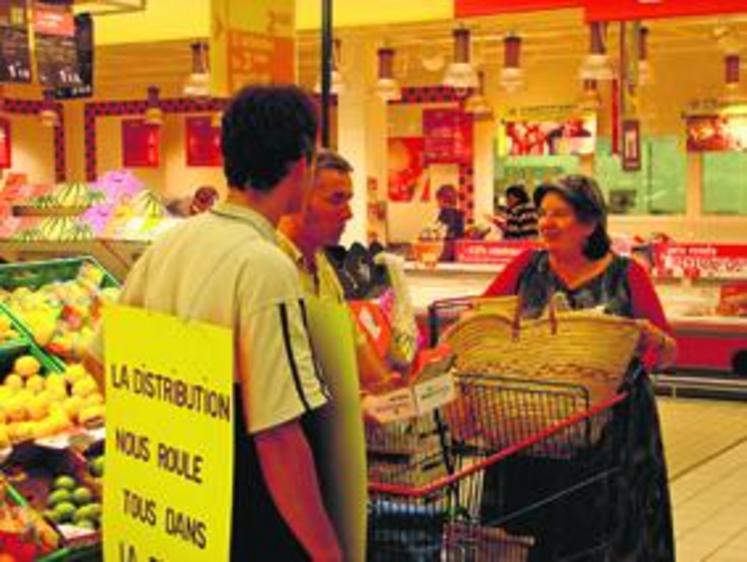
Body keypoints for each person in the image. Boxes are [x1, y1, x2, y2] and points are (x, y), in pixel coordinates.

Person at [86, 85, 341, 562]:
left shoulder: (170, 243)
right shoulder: (265, 266)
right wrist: (328, 551)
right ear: (301, 162)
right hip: (241, 520)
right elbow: (278, 436)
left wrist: (168, 448)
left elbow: (99, 359)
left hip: (179, 517)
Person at [482, 174, 676, 561]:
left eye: (560, 214)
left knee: (609, 530)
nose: (546, 223)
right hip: (534, 423)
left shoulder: (626, 275)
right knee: (530, 529)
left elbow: (668, 352)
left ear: (590, 224)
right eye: (543, 213)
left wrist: (651, 343)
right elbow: (483, 319)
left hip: (614, 433)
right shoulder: (526, 267)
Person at [277, 148, 392, 562]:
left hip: (327, 449)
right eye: (336, 199)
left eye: (350, 200)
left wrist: (393, 388)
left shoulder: (323, 267)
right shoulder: (270, 266)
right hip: (287, 460)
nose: (348, 214)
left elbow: (352, 346)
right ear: (296, 199)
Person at [434, 184, 465, 261]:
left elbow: (444, 232)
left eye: (438, 200)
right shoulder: (459, 213)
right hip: (456, 250)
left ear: (442, 199)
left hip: (446, 250)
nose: (437, 203)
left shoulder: (445, 212)